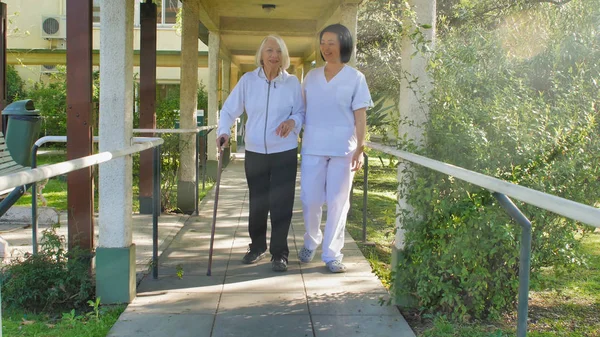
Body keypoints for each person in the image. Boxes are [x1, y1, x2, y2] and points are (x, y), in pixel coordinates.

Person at [216, 35, 304, 272]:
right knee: (257, 202)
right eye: (269, 51)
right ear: (261, 55)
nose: (274, 55)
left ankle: (280, 253)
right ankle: (256, 246)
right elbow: (228, 110)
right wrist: (224, 131)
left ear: (283, 56)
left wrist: (292, 122)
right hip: (255, 152)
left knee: (281, 204)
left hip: (284, 151)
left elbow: (301, 112)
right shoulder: (247, 81)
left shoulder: (292, 83)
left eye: (278, 51)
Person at [298, 24, 372, 273]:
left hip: (344, 149)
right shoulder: (311, 77)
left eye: (331, 42)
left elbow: (360, 116)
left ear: (343, 44)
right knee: (310, 199)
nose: (326, 47)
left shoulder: (355, 78)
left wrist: (360, 148)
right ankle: (311, 240)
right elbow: (301, 111)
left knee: (339, 203)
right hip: (313, 147)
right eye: (323, 42)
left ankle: (332, 254)